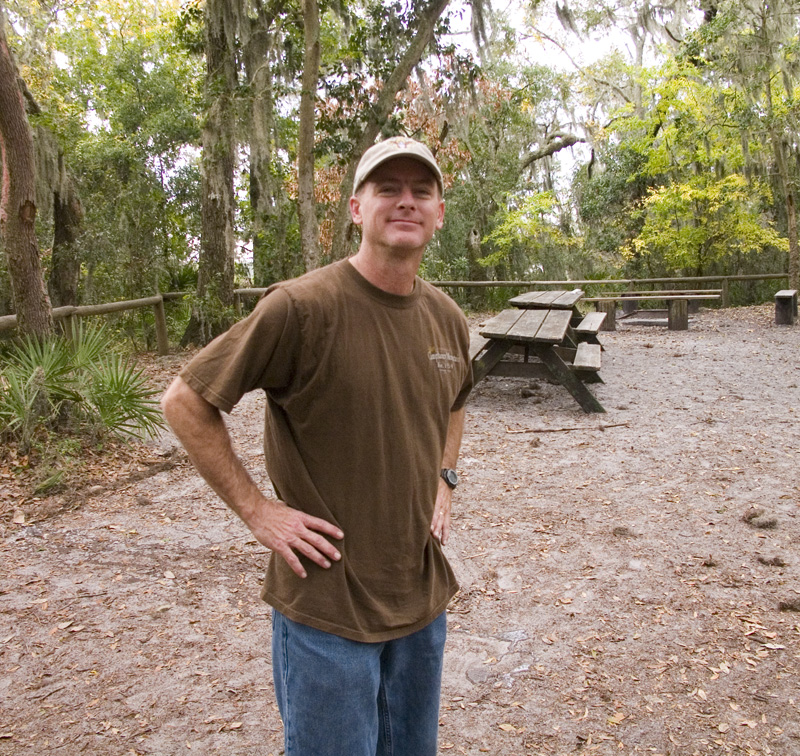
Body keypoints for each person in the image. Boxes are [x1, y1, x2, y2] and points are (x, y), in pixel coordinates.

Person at [160, 136, 473, 756]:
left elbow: (457, 399)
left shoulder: (446, 318)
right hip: (327, 608)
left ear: (439, 210)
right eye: (388, 189)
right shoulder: (301, 308)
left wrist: (445, 478)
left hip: (420, 600)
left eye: (421, 191)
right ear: (357, 208)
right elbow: (185, 402)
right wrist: (259, 511)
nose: (405, 202)